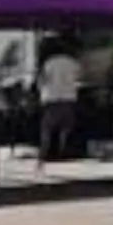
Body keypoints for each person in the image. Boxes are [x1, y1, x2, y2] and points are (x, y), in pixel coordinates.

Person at [36, 38, 81, 166]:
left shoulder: (48, 63)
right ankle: (63, 151)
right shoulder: (73, 63)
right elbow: (78, 79)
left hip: (51, 99)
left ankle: (44, 154)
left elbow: (42, 80)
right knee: (66, 127)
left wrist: (40, 93)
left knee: (47, 129)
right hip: (69, 98)